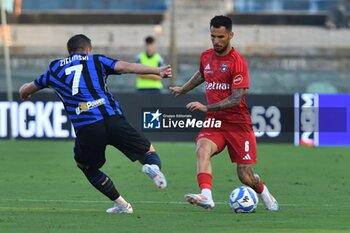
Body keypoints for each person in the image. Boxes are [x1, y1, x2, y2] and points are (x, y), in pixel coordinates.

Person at [19, 34, 172, 214]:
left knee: (86, 166)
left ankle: (122, 205)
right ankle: (153, 168)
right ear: (88, 50)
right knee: (147, 152)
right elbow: (127, 67)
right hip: (113, 119)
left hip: (87, 128)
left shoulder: (54, 69)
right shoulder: (97, 60)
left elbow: (26, 89)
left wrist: (25, 94)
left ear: (69, 52)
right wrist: (157, 70)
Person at [169, 15, 279, 211]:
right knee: (202, 149)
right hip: (215, 121)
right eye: (213, 36)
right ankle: (206, 196)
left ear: (230, 35)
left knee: (245, 176)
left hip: (238, 124)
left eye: (221, 37)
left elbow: (236, 98)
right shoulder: (206, 56)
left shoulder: (238, 62)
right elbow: (202, 74)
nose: (216, 41)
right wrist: (183, 89)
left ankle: (263, 191)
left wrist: (206, 107)